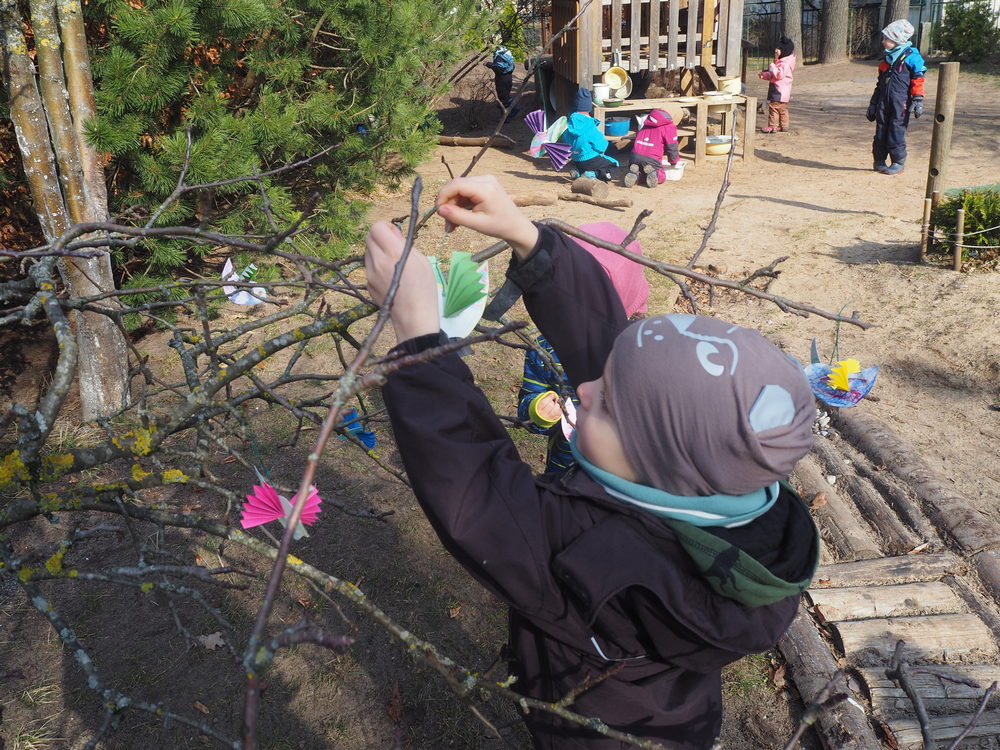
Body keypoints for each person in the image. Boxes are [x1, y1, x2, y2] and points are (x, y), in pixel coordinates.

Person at [364, 174, 820, 750]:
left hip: (593, 733)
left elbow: (478, 493)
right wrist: (530, 242)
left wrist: (419, 340)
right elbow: (611, 350)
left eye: (603, 404)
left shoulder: (598, 557)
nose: (583, 389)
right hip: (684, 714)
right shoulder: (726, 494)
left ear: (650, 461)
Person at [518, 223, 649, 473]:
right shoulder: (545, 350)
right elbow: (527, 406)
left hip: (626, 476)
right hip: (565, 473)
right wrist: (538, 410)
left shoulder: (643, 350)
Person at [867, 19, 926, 175]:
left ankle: (898, 161)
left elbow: (918, 79)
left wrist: (918, 99)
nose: (883, 41)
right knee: (880, 131)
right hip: (883, 103)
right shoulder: (886, 60)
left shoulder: (911, 57)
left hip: (901, 103)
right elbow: (879, 85)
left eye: (886, 38)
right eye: (883, 38)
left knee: (896, 131)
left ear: (898, 39)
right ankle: (879, 160)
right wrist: (873, 104)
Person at [622, 108, 680, 188]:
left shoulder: (646, 123)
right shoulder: (669, 127)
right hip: (652, 158)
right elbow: (672, 147)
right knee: (661, 177)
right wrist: (673, 162)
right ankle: (655, 174)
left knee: (642, 172)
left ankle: (637, 174)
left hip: (634, 156)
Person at [561, 112, 618, 181]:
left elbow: (566, 146)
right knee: (614, 163)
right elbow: (601, 147)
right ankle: (593, 174)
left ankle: (578, 173)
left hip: (576, 160)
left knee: (585, 168)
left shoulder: (567, 132)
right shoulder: (590, 129)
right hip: (591, 159)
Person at [758, 36, 796, 133]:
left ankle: (773, 126)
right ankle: (784, 126)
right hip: (782, 91)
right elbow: (775, 76)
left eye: (778, 48)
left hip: (779, 90)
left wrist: (772, 66)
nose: (776, 50)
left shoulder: (784, 63)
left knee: (773, 107)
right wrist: (765, 75)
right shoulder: (783, 62)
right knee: (782, 109)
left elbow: (778, 74)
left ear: (784, 51)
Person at [485, 45, 518, 117]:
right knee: (506, 96)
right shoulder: (506, 53)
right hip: (509, 77)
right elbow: (512, 66)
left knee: (503, 98)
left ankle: (508, 115)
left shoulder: (499, 56)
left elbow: (499, 69)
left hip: (502, 79)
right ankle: (511, 111)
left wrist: (488, 64)